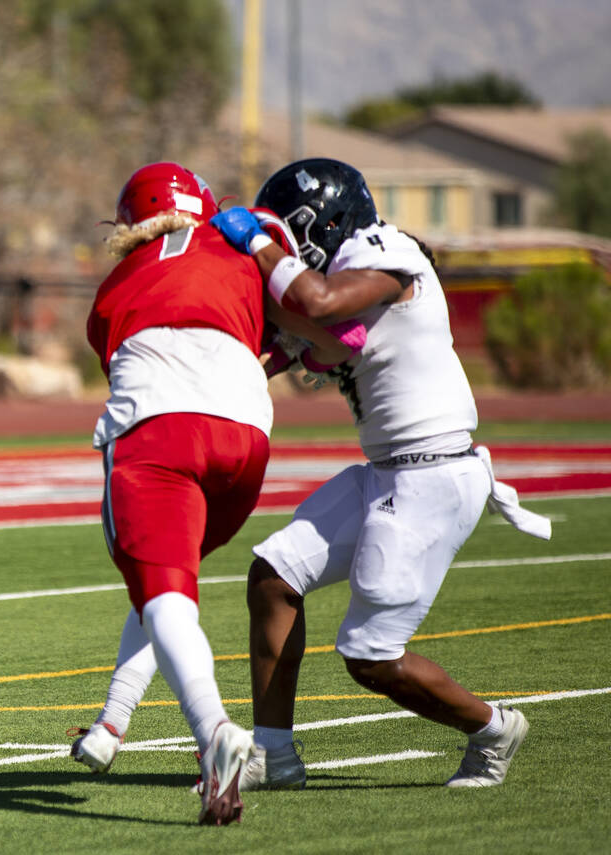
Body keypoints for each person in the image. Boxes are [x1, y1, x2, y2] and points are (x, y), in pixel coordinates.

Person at [75, 156, 551, 792]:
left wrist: (258, 246)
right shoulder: (339, 280)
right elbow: (295, 343)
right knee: (273, 578)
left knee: (369, 656)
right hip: (386, 471)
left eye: (294, 237)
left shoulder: (385, 249)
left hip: (434, 476)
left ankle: (493, 728)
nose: (291, 249)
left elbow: (320, 301)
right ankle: (274, 754)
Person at [81, 161, 358, 825]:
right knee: (168, 583)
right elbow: (301, 315)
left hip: (161, 424)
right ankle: (111, 723)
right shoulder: (247, 234)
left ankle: (214, 732)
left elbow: (135, 339)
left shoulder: (115, 284)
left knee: (161, 584)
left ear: (130, 226)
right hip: (245, 434)